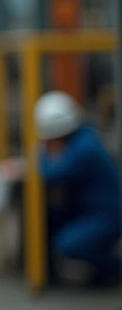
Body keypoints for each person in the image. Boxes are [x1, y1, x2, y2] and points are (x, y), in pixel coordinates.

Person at [33, 90, 121, 286]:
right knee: (49, 218)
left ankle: (115, 268)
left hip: (107, 215)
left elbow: (50, 173)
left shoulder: (84, 147)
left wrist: (39, 154)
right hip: (88, 210)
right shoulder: (82, 137)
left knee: (68, 244)